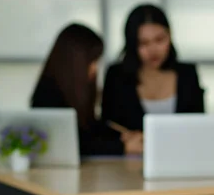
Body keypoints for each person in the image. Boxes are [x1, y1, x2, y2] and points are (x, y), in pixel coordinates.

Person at [101, 4, 204, 146]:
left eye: (160, 40)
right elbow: (107, 128)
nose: (153, 50)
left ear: (170, 36)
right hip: (129, 163)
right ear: (132, 44)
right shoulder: (116, 76)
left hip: (182, 157)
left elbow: (200, 126)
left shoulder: (188, 74)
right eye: (143, 43)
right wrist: (124, 143)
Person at [31, 23, 141, 155]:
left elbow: (89, 128)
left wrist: (121, 136)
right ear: (74, 61)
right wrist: (121, 147)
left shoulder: (76, 91)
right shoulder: (47, 96)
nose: (95, 69)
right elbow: (75, 144)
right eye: (92, 61)